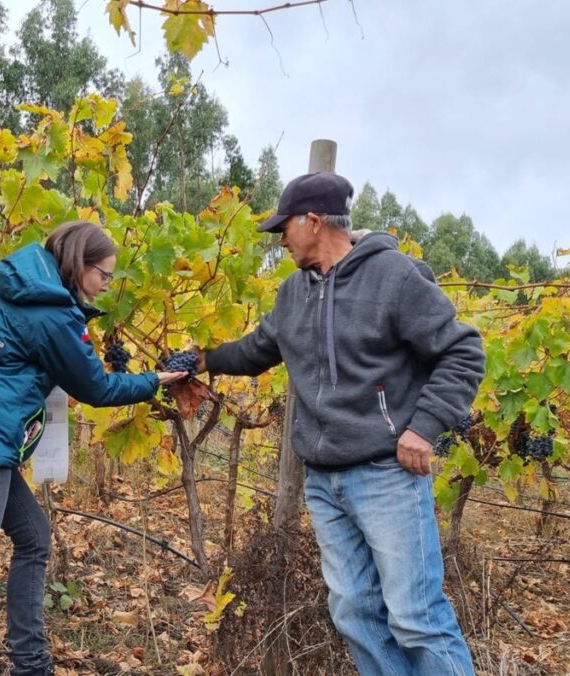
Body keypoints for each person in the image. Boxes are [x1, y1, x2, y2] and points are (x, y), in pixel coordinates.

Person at [197, 173, 485, 675]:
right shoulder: (293, 293)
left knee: (416, 617)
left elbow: (463, 351)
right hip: (324, 482)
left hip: (386, 476)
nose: (279, 239)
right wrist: (201, 361)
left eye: (283, 227)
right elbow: (256, 350)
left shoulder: (393, 277)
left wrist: (424, 427)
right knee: (353, 612)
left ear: (313, 221)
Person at [0, 221, 187, 676]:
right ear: (80, 264)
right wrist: (154, 380)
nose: (105, 286)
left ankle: (31, 662)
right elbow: (96, 386)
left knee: (33, 536)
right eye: (104, 275)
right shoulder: (51, 312)